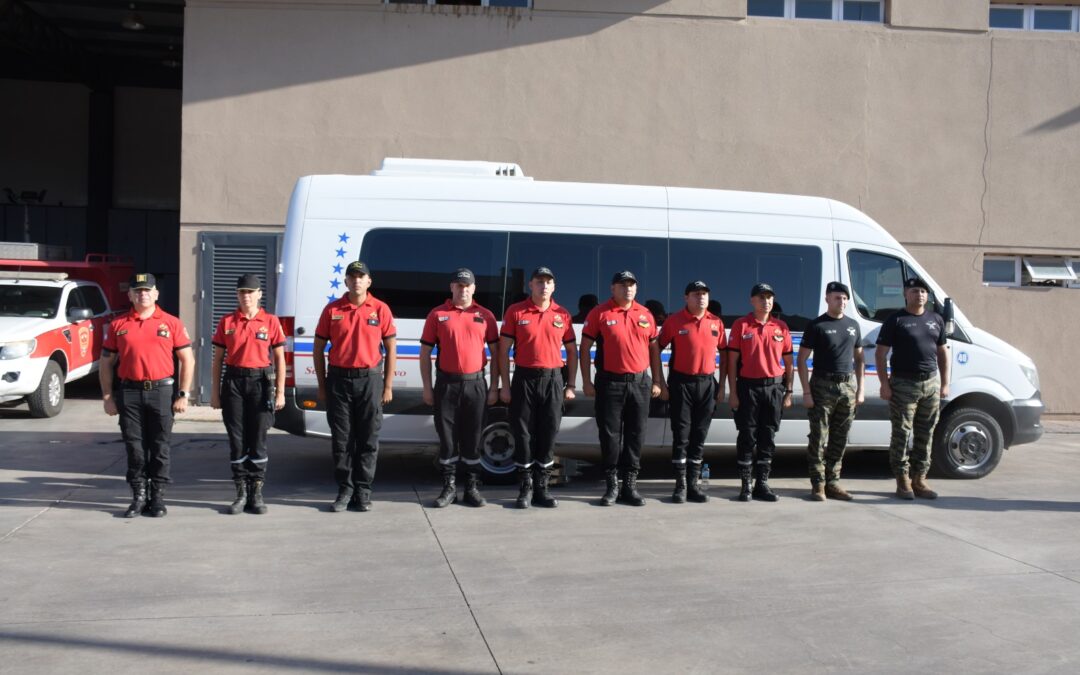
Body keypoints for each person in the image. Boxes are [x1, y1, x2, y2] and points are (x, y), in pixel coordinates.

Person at [100, 272, 195, 518]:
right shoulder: (118, 325)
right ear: (130, 295)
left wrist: (183, 394)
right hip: (129, 393)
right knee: (135, 448)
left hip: (161, 392)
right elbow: (106, 362)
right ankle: (139, 496)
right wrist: (108, 397)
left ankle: (158, 497)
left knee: (160, 447)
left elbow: (187, 360)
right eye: (138, 290)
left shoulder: (171, 323)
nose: (143, 294)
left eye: (147, 290)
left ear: (156, 294)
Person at [313, 260, 397, 513]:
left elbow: (391, 349)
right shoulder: (332, 310)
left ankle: (363, 491)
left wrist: (387, 386)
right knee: (342, 440)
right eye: (352, 276)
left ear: (369, 281)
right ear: (346, 281)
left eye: (361, 276)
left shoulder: (380, 309)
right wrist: (321, 385)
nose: (357, 280)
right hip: (338, 381)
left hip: (370, 380)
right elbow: (318, 348)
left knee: (368, 439)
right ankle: (344, 490)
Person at [580, 270, 666, 507]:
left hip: (640, 383)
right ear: (613, 288)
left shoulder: (645, 314)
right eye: (622, 285)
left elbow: (654, 350)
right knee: (610, 436)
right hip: (610, 383)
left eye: (631, 285)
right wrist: (586, 381)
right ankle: (611, 486)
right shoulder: (600, 313)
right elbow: (584, 348)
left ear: (636, 288)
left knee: (636, 435)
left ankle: (630, 486)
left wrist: (657, 381)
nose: (627, 288)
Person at [420, 268, 500, 508]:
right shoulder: (437, 314)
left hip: (475, 385)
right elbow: (425, 353)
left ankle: (472, 488)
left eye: (467, 285)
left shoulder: (485, 316)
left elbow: (496, 354)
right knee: (447, 440)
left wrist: (494, 387)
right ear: (451, 287)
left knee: (473, 439)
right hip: (446, 385)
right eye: (459, 285)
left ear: (474, 288)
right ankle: (449, 488)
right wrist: (427, 388)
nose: (463, 289)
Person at [499, 266, 577, 509]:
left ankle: (542, 488)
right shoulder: (516, 311)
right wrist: (504, 386)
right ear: (530, 285)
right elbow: (503, 351)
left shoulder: (562, 314)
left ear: (554, 286)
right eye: (539, 281)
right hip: (524, 379)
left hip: (553, 379)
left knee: (548, 433)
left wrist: (571, 384)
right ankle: (525, 488)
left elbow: (572, 351)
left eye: (548, 282)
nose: (544, 286)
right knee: (523, 435)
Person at [210, 273, 286, 515]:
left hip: (261, 383)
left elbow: (280, 359)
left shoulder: (270, 321)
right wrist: (214, 392)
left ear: (259, 294)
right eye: (242, 292)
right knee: (237, 439)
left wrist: (281, 392)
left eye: (251, 292)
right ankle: (241, 493)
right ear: (237, 295)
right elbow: (217, 360)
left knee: (258, 438)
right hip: (233, 382)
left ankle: (257, 493)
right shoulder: (227, 321)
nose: (246, 296)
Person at [875, 277, 950, 500]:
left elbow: (943, 352)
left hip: (930, 384)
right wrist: (884, 384)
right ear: (905, 294)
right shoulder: (896, 320)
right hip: (903, 384)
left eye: (923, 292)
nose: (920, 295)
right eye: (915, 291)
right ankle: (902, 480)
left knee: (926, 433)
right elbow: (880, 354)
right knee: (901, 433)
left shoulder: (936, 319)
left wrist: (945, 383)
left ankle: (919, 479)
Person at [658, 280, 726, 503]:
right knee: (681, 436)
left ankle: (694, 485)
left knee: (699, 436)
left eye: (704, 294)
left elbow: (726, 354)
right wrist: (661, 383)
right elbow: (655, 348)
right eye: (696, 294)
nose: (701, 297)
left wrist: (722, 385)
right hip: (681, 384)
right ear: (686, 298)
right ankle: (680, 486)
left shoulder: (716, 322)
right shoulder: (674, 321)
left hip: (706, 384)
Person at [797, 281, 865, 502]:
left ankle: (833, 482)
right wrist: (806, 392)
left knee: (840, 437)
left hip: (847, 387)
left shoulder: (853, 325)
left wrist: (860, 389)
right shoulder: (817, 325)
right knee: (818, 437)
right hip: (822, 386)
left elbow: (860, 359)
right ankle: (818, 484)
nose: (841, 302)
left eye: (844, 298)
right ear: (827, 299)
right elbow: (801, 359)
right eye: (837, 298)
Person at [727, 283, 793, 502]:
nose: (766, 301)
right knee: (747, 436)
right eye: (761, 297)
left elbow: (789, 363)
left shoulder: (781, 327)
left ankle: (762, 484)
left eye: (769, 297)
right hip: (748, 388)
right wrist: (732, 392)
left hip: (774, 389)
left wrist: (788, 391)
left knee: (768, 437)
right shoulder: (741, 325)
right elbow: (732, 362)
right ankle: (746, 485)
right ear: (752, 301)